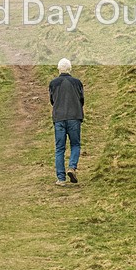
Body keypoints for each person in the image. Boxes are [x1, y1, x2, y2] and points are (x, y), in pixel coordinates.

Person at [49, 58, 84, 186]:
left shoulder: (53, 83)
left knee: (59, 148)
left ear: (59, 69)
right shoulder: (77, 82)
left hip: (59, 118)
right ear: (70, 68)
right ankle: (72, 167)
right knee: (75, 144)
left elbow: (52, 100)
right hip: (74, 117)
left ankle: (61, 178)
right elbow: (81, 99)